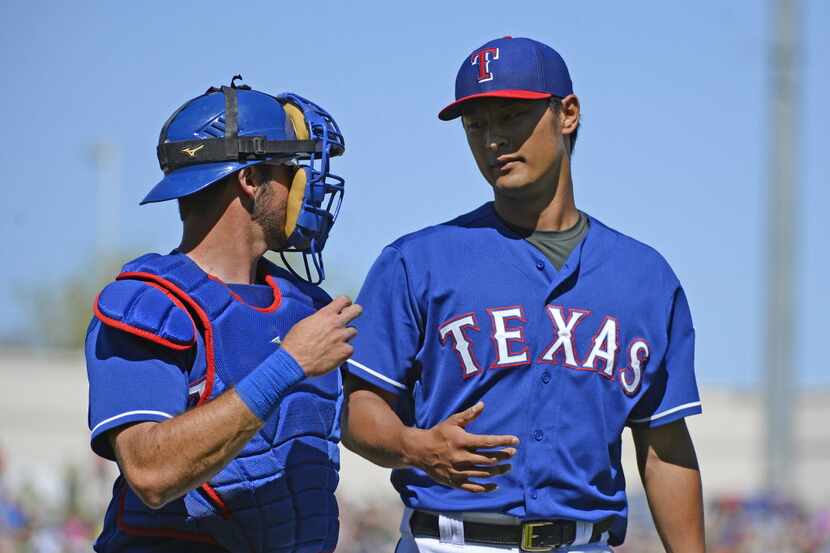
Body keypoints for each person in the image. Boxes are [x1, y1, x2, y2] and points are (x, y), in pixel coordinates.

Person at [342, 37, 705, 553]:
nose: (493, 140)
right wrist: (413, 446)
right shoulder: (416, 261)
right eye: (477, 126)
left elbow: (663, 444)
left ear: (568, 114)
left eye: (511, 117)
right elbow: (359, 408)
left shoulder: (645, 278)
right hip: (449, 541)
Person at [85, 78, 360, 553]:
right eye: (289, 168)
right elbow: (151, 473)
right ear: (250, 180)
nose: (304, 184)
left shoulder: (306, 307)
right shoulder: (150, 303)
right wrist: (287, 365)